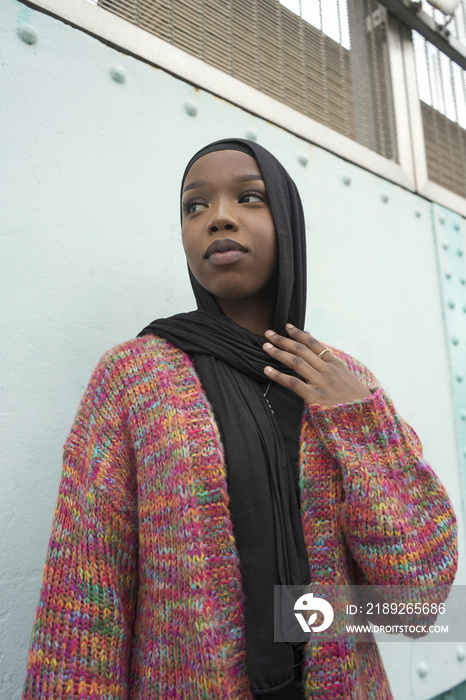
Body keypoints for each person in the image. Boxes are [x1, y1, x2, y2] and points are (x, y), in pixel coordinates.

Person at [23, 138, 458, 700]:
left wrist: (358, 422)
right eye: (194, 206)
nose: (218, 217)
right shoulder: (134, 380)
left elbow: (417, 605)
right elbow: (84, 604)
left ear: (287, 222)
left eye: (249, 198)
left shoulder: (347, 384)